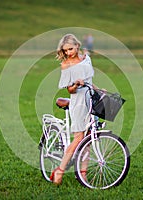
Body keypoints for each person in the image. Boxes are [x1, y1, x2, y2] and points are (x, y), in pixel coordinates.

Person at [50, 34, 95, 185]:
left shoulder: (86, 58)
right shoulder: (66, 65)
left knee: (88, 138)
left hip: (91, 100)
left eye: (71, 48)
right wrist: (76, 85)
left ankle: (83, 173)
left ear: (77, 45)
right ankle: (60, 170)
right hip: (78, 102)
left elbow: (89, 80)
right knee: (79, 138)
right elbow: (70, 90)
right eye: (66, 50)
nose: (69, 52)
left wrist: (98, 89)